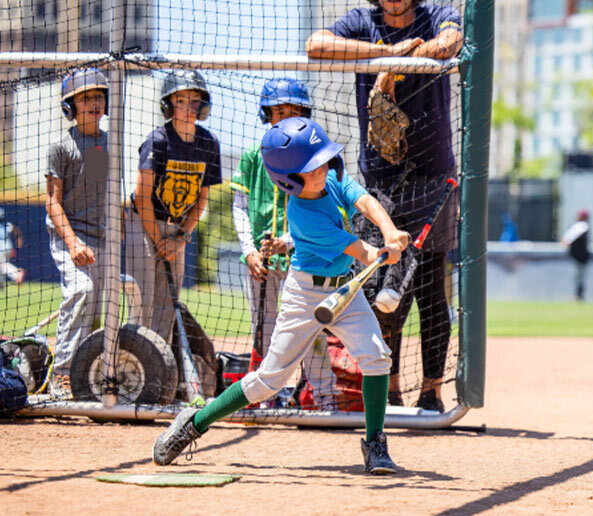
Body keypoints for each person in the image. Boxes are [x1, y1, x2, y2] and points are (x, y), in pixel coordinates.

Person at [152, 117, 409, 475]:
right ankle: (196, 422)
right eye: (310, 167)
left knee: (377, 356)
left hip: (344, 291)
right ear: (288, 179)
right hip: (305, 295)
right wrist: (383, 251)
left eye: (321, 161)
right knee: (268, 381)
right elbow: (361, 251)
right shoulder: (302, 216)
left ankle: (375, 443)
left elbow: (364, 200)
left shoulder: (332, 179)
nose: (321, 169)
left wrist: (390, 230)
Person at [305, 0, 463, 412]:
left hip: (432, 174)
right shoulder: (363, 21)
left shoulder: (436, 14)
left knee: (429, 289)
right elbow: (316, 44)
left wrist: (395, 67)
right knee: (378, 288)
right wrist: (385, 53)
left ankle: (431, 391)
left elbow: (450, 41)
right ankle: (388, 389)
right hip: (380, 178)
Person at [230, 77, 336, 410]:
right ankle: (267, 396)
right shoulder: (252, 156)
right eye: (278, 111)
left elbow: (322, 212)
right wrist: (248, 250)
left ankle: (324, 396)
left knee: (312, 328)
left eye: (293, 110)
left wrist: (288, 242)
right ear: (267, 114)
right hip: (260, 263)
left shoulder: (314, 157)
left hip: (303, 260)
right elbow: (240, 208)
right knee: (265, 332)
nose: (285, 116)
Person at [126, 70, 221, 347]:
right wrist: (159, 240)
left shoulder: (208, 143)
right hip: (144, 223)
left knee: (169, 302)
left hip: (178, 228)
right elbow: (142, 197)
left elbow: (202, 197)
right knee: (143, 300)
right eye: (181, 100)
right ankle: (135, 360)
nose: (189, 108)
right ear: (168, 105)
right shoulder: (158, 140)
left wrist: (180, 239)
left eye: (195, 101)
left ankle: (160, 368)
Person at [44, 68, 109, 398]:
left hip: (101, 240)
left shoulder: (107, 143)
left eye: (98, 96)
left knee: (100, 308)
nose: (93, 103)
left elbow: (102, 194)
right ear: (70, 106)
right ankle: (62, 373)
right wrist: (72, 243)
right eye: (85, 98)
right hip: (69, 236)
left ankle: (90, 374)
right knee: (82, 290)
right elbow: (53, 203)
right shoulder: (62, 146)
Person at [561, 209, 591, 302]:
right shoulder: (581, 226)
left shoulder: (582, 225)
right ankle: (578, 295)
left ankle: (578, 296)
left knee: (578, 276)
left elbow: (570, 238)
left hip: (579, 256)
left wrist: (567, 242)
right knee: (578, 276)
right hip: (579, 256)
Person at [0, 207, 25, 288]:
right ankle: (1, 284)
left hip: (1, 248)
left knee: (3, 265)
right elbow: (15, 229)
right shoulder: (6, 224)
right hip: (8, 247)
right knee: (1, 265)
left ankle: (16, 273)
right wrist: (19, 239)